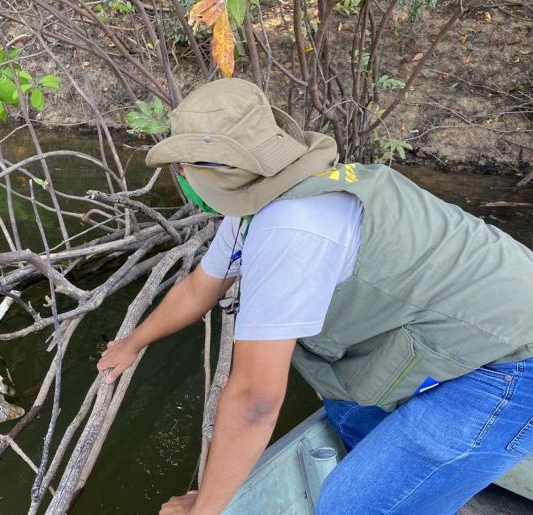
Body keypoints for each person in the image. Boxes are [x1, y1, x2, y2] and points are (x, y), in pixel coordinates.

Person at [97, 78, 533, 514]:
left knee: (347, 507)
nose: (182, 176)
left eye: (183, 165)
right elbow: (199, 288)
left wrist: (205, 509)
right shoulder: (262, 197)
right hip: (479, 327)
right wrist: (132, 343)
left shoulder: (293, 228)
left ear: (213, 170)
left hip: (514, 362)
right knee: (345, 409)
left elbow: (255, 400)